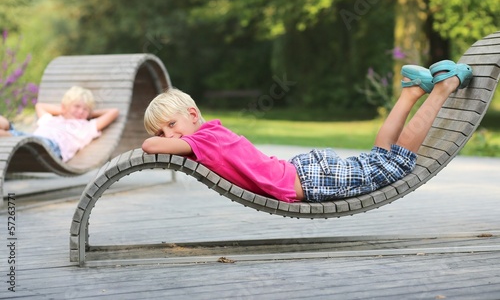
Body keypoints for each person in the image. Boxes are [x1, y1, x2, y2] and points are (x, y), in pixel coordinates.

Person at [142, 60, 473, 203]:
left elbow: (149, 146)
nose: (169, 136)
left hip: (310, 179)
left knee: (396, 163)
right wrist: (170, 132)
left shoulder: (199, 141)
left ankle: (443, 88)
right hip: (305, 170)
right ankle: (411, 92)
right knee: (380, 157)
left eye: (171, 125)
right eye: (163, 130)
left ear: (192, 114)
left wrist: (160, 138)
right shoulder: (210, 133)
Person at [0, 86, 119, 162]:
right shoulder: (53, 119)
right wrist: (64, 112)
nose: (80, 111)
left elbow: (114, 112)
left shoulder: (86, 127)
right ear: (65, 106)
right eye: (77, 106)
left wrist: (89, 115)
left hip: (49, 147)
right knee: (4, 124)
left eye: (85, 109)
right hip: (30, 139)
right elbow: (39, 106)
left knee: (5, 134)